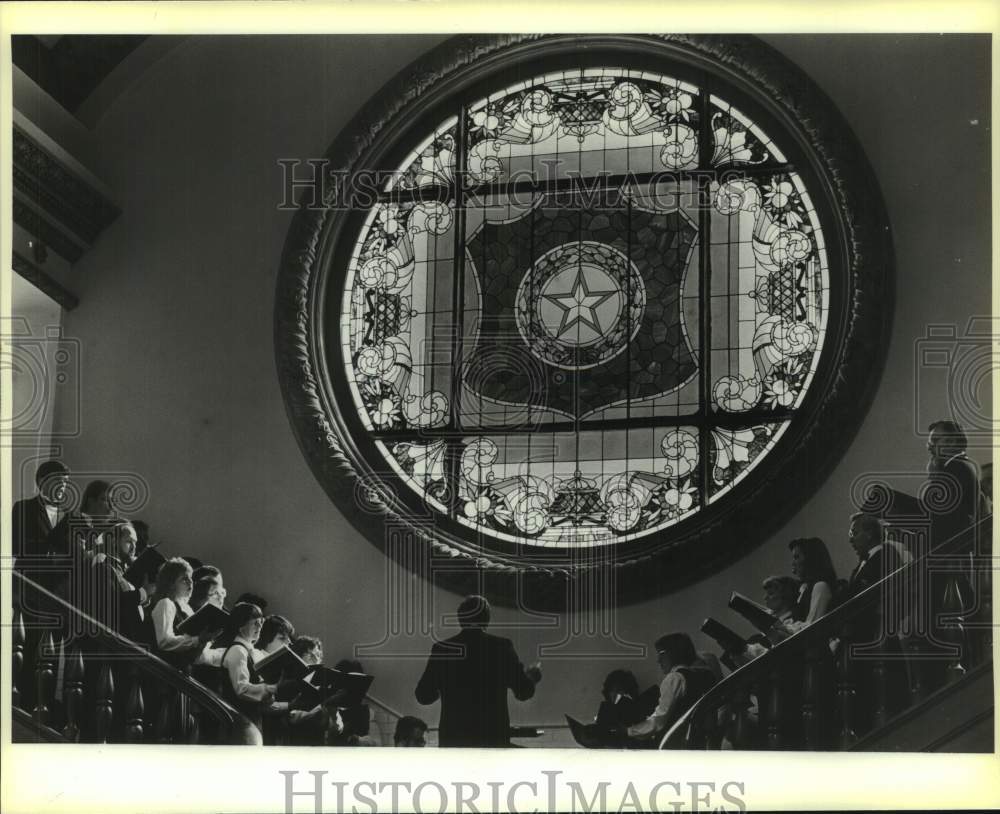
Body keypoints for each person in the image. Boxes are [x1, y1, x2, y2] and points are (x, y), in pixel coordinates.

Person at [415, 594, 541, 748]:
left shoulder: (442, 650)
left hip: (454, 741)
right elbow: (523, 692)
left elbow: (423, 696)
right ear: (486, 619)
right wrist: (532, 676)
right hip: (492, 740)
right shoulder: (501, 648)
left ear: (460, 619)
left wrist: (444, 687)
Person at [626, 632, 717, 747]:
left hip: (673, 745)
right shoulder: (703, 675)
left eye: (661, 653)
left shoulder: (674, 678)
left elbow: (659, 721)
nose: (658, 660)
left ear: (675, 653)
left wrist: (628, 731)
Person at [150, 558, 225, 672]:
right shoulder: (166, 603)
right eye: (184, 579)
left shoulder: (188, 610)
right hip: (162, 671)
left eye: (190, 578)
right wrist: (197, 640)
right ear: (171, 584)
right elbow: (164, 641)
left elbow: (199, 658)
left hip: (182, 672)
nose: (190, 582)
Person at [220, 602, 278, 745]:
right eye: (255, 623)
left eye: (261, 622)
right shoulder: (237, 651)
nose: (260, 627)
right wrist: (270, 688)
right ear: (241, 626)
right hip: (240, 719)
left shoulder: (249, 651)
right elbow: (242, 689)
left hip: (251, 718)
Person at [12, 459, 70, 566]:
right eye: (58, 480)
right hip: (28, 578)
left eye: (65, 481)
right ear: (41, 481)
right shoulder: (23, 508)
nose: (63, 485)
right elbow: (15, 546)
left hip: (58, 580)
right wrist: (49, 547)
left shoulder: (69, 515)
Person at [785, 537, 839, 632]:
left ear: (811, 558)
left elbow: (810, 627)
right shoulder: (803, 590)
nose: (792, 563)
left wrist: (785, 629)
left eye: (797, 557)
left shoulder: (820, 586)